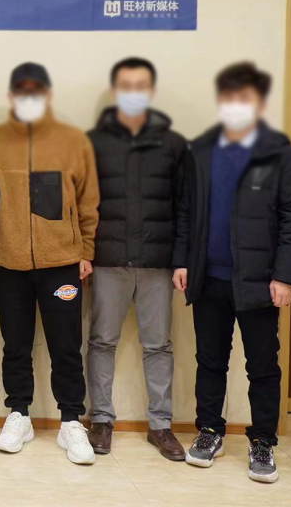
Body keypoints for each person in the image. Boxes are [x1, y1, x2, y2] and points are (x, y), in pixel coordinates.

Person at [174, 62, 291, 484]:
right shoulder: (200, 152)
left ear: (259, 104)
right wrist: (182, 260)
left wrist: (285, 276)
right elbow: (185, 212)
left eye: (245, 98)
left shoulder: (280, 154)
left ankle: (263, 440)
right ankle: (209, 431)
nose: (236, 105)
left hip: (259, 281)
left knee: (262, 365)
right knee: (210, 360)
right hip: (208, 277)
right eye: (230, 98)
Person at [0, 62, 100, 465]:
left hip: (62, 261)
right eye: (21, 91)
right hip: (7, 262)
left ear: (47, 95)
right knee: (15, 345)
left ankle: (71, 421)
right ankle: (19, 414)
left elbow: (88, 201)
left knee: (66, 346)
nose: (28, 98)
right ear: (11, 96)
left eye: (36, 91)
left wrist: (86, 251)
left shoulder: (73, 141)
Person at [85, 57, 188, 461]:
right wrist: (84, 254)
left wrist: (181, 259)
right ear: (115, 92)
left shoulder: (174, 144)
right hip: (107, 259)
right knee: (101, 342)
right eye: (126, 86)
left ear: (151, 91)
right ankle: (101, 420)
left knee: (158, 345)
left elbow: (184, 206)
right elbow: (82, 203)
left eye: (140, 85)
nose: (133, 92)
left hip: (157, 262)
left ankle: (160, 425)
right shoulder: (92, 142)